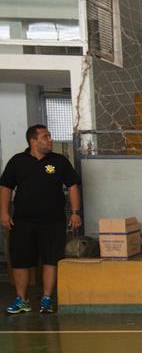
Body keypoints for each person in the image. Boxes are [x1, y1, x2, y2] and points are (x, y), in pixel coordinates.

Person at [1, 124, 81, 315]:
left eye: (50, 136)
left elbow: (72, 186)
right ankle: (22, 300)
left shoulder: (59, 161)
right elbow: (5, 187)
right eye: (45, 137)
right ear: (33, 141)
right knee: (20, 261)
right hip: (22, 221)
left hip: (53, 221)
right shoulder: (17, 161)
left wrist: (75, 212)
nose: (50, 140)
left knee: (51, 259)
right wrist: (4, 213)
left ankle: (46, 299)